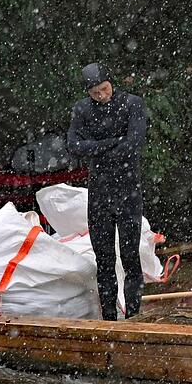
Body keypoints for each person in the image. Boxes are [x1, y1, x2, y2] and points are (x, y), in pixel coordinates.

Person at [66, 63, 148, 321]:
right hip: (100, 192)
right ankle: (109, 316)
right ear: (88, 93)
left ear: (111, 83)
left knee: (130, 256)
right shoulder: (82, 110)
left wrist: (98, 148)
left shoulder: (132, 103)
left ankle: (134, 315)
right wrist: (112, 143)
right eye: (95, 93)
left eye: (104, 89)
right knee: (104, 258)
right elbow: (74, 145)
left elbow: (134, 142)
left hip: (128, 189)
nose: (102, 96)